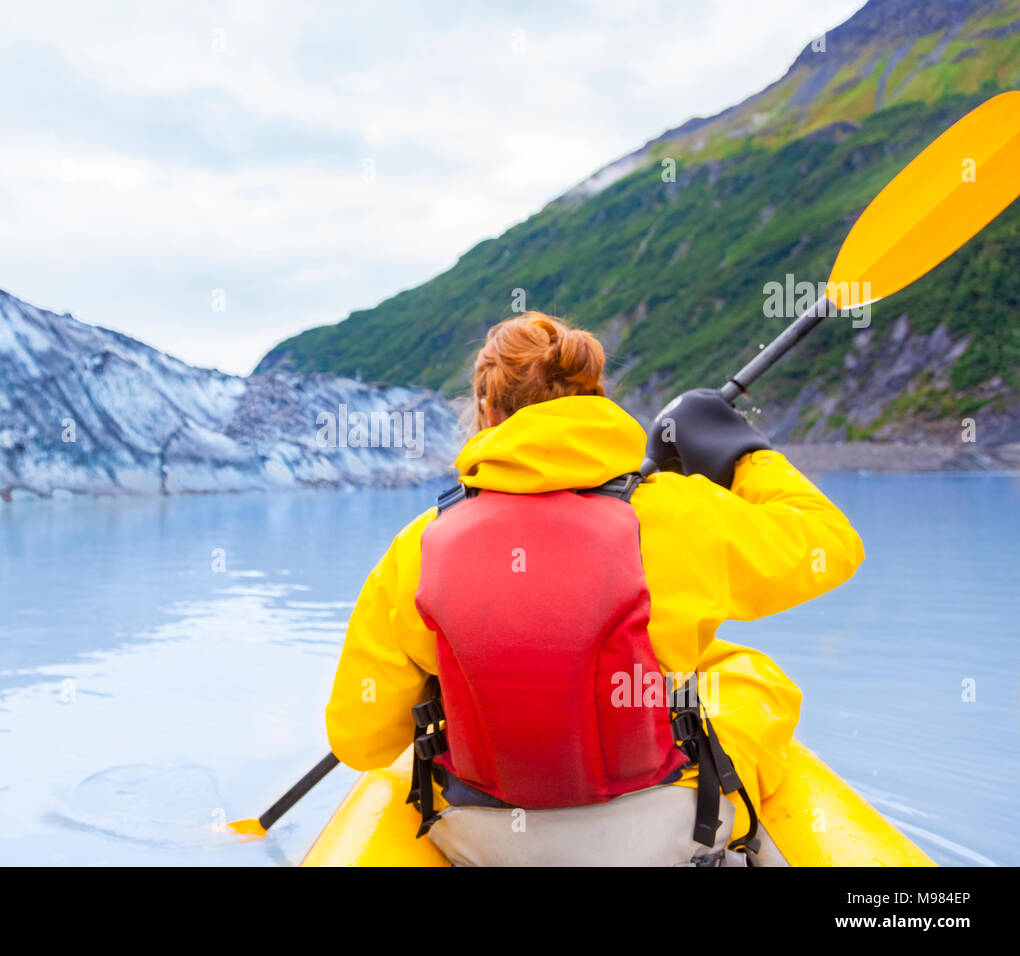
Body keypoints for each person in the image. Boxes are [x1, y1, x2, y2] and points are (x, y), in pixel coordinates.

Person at [324, 311, 864, 866]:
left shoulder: (420, 544)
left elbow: (360, 741)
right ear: (596, 397)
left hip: (482, 838)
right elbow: (832, 543)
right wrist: (739, 450)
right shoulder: (678, 512)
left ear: (487, 411)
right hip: (660, 830)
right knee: (742, 671)